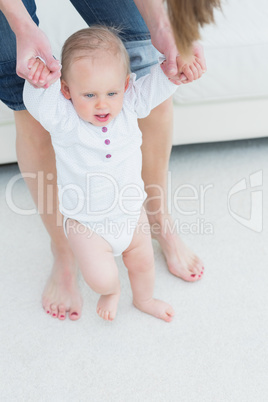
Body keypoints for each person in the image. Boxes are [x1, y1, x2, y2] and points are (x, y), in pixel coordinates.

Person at [0, 0, 220, 321]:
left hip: (131, 213)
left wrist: (178, 72)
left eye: (111, 93)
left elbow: (159, 82)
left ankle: (144, 299)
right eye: (89, 95)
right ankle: (106, 286)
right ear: (66, 91)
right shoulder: (64, 118)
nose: (102, 104)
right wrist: (39, 81)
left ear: (125, 87)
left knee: (142, 264)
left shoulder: (129, 103)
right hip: (86, 223)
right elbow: (36, 103)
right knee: (101, 277)